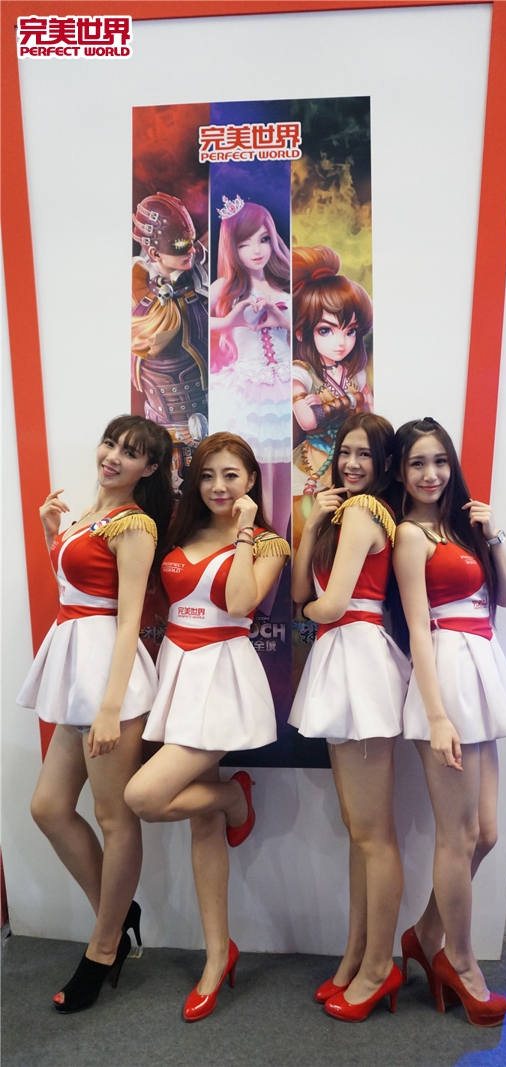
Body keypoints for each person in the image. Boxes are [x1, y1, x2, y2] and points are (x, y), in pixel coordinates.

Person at [124, 432, 290, 1022]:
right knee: (203, 823)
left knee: (143, 796)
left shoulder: (268, 542)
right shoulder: (179, 531)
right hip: (178, 670)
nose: (219, 486)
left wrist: (243, 532)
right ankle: (218, 955)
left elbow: (242, 602)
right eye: (208, 475)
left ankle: (233, 796)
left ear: (251, 481)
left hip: (223, 678)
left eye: (231, 475)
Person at [18, 415, 174, 1013]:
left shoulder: (134, 523)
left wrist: (111, 708)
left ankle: (104, 947)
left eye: (130, 453)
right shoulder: (89, 515)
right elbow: (75, 589)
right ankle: (118, 912)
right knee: (48, 807)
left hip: (110, 678)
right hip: (75, 669)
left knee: (114, 817)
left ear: (149, 469)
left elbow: (129, 616)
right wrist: (51, 533)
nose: (112, 456)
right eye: (111, 443)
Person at [391, 417, 506, 1028]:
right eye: (418, 463)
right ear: (401, 472)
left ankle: (425, 934)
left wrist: (492, 533)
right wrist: (436, 715)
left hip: (480, 668)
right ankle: (463, 964)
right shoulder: (410, 535)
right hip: (446, 676)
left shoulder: (462, 527)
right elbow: (418, 630)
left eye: (440, 461)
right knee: (458, 835)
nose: (431, 474)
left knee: (486, 833)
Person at [288, 412, 410, 1023]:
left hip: (357, 657)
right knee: (361, 831)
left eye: (365, 454)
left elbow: (326, 604)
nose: (352, 463)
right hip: (343, 657)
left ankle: (379, 967)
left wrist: (311, 610)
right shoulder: (340, 515)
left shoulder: (364, 512)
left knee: (373, 834)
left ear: (385, 464)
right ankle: (357, 955)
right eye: (345, 452)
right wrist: (311, 524)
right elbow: (298, 591)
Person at [209, 197, 291, 538]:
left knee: (284, 476)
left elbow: (307, 327)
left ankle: (280, 551)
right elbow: (199, 323)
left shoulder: (285, 284)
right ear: (232, 247)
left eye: (263, 239)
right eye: (244, 243)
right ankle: (245, 547)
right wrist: (231, 319)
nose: (256, 251)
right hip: (244, 391)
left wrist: (280, 319)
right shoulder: (224, 287)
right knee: (248, 475)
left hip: (285, 389)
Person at [132, 192, 209, 487]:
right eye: (179, 246)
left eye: (191, 242)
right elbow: (145, 339)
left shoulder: (197, 279)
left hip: (205, 414)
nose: (190, 251)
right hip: (162, 422)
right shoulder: (141, 292)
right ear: (154, 253)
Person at [292, 245, 373, 517]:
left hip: (351, 462)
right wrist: (351, 401)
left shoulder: (355, 372)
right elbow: (308, 420)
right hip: (313, 463)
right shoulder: (301, 372)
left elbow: (370, 417)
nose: (341, 343)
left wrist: (331, 406)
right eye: (326, 330)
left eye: (350, 331)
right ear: (302, 332)